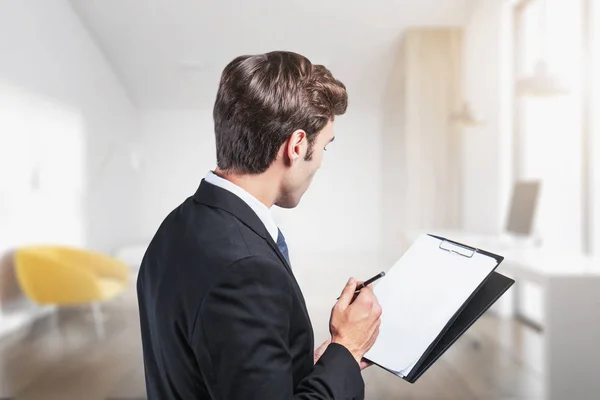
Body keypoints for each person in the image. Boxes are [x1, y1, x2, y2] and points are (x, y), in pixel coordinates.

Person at [137, 51, 382, 400]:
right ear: (297, 145)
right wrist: (347, 346)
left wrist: (323, 366)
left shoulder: (177, 225)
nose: (321, 163)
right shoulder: (246, 271)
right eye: (325, 146)